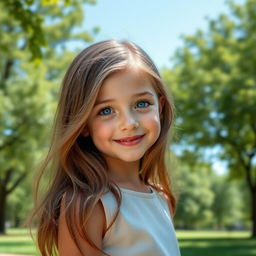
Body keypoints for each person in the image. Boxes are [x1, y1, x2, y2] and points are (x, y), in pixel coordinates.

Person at [32, 40, 181, 256]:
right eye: (106, 110)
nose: (129, 123)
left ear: (161, 107)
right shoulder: (87, 204)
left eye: (141, 104)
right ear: (83, 124)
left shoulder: (161, 197)